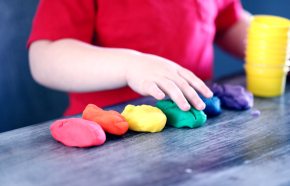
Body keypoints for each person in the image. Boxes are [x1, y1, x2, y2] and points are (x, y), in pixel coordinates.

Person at [28, 0, 251, 116]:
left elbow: (228, 22)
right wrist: (130, 66)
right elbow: (45, 59)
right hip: (109, 134)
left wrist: (273, 45)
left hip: (197, 121)